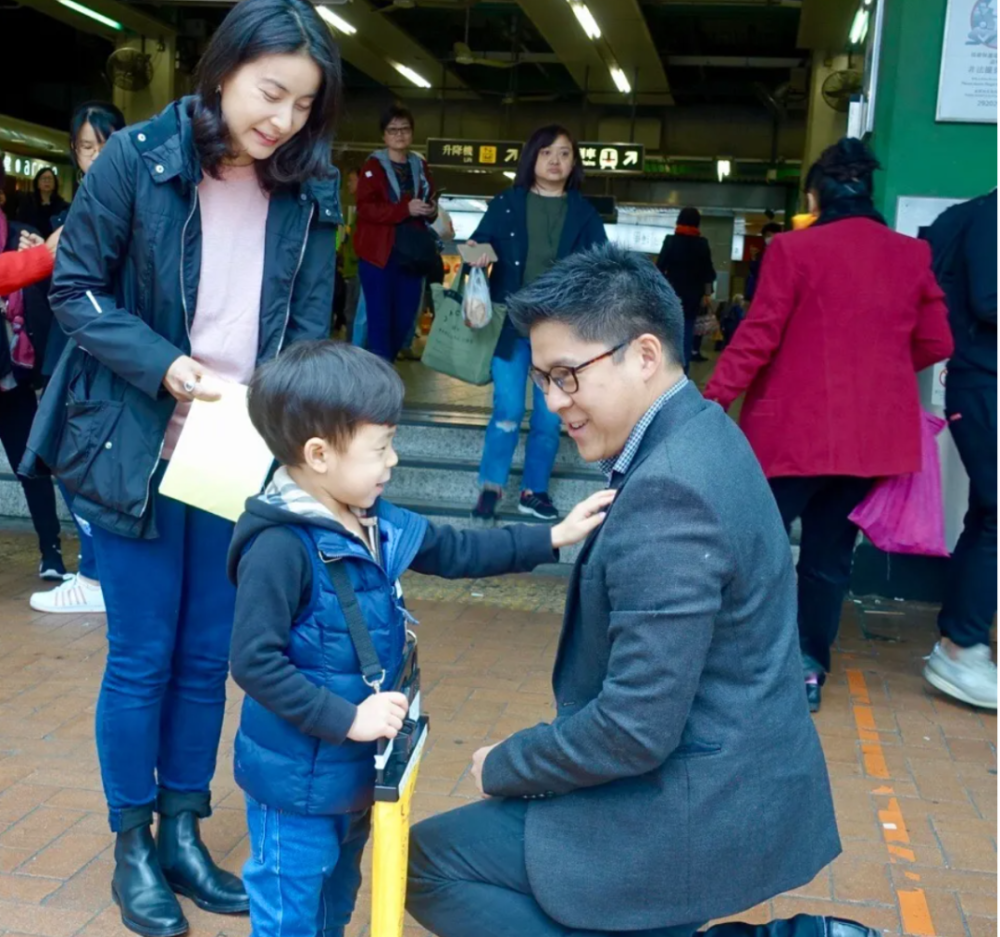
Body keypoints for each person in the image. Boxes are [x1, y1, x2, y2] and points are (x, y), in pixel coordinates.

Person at [407, 243, 840, 937]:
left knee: (425, 863)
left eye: (565, 376)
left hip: (694, 803)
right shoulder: (701, 430)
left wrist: (508, 764)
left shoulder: (670, 490)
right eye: (545, 379)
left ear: (643, 355)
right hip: (734, 774)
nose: (552, 402)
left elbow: (636, 730)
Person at [20, 1, 343, 933]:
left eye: (301, 105)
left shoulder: (308, 187)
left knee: (210, 656)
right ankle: (133, 844)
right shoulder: (138, 159)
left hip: (234, 446)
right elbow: (74, 290)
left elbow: (310, 329)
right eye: (269, 93)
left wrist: (290, 415)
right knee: (143, 656)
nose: (280, 119)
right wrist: (165, 364)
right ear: (224, 70)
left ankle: (183, 829)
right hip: (132, 438)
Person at [228, 339, 611, 937]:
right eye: (380, 447)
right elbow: (254, 662)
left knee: (336, 896)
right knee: (288, 908)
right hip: (294, 785)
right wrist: (345, 718)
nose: (393, 461)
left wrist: (551, 538)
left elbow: (455, 549)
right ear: (319, 454)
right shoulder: (279, 547)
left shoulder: (370, 517)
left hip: (354, 770)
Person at [704, 138, 953, 712]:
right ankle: (808, 667)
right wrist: (879, 371)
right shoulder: (909, 255)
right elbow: (938, 340)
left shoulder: (795, 250)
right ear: (869, 192)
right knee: (827, 558)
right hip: (868, 442)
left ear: (815, 196)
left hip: (791, 433)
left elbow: (759, 336)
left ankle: (726, 658)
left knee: (749, 545)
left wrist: (712, 400)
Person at [466, 125, 607, 522]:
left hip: (561, 335)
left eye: (564, 153)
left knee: (549, 416)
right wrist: (476, 255)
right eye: (547, 153)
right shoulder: (507, 203)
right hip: (511, 329)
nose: (556, 161)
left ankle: (534, 491)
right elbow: (474, 244)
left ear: (574, 163)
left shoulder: (583, 213)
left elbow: (602, 265)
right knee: (508, 410)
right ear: (532, 158)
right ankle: (491, 487)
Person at [27, 100, 126, 616]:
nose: (96, 157)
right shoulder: (72, 211)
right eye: (86, 147)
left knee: (88, 462)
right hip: (69, 349)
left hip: (111, 351)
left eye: (106, 145)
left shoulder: (133, 206)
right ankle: (95, 572)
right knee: (68, 459)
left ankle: (96, 575)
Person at [921, 190, 997, 710]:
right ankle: (960, 647)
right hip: (985, 382)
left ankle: (960, 640)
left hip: (980, 382)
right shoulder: (990, 218)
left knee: (988, 512)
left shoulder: (978, 215)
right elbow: (990, 300)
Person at [0, 159, 65, 581]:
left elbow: (53, 294)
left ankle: (51, 552)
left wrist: (42, 261)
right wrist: (40, 258)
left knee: (31, 466)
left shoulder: (22, 234)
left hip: (14, 376)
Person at [354, 104, 437, 362]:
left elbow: (430, 196)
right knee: (380, 318)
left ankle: (384, 369)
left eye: (405, 129)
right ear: (384, 135)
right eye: (393, 130)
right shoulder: (372, 167)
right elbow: (366, 208)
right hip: (379, 254)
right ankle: (380, 375)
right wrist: (405, 208)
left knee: (405, 317)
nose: (399, 135)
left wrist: (430, 209)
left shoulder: (420, 166)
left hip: (412, 253)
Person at [656, 206, 715, 370]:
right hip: (692, 297)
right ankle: (683, 370)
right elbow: (708, 272)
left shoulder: (670, 241)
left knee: (668, 330)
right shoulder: (702, 244)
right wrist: (707, 293)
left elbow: (659, 268)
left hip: (671, 294)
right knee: (687, 330)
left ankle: (665, 368)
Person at [17, 166, 68, 239]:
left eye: (50, 179)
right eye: (44, 178)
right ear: (37, 183)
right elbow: (21, 224)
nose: (47, 181)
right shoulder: (28, 203)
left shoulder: (63, 206)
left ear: (55, 184)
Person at [745, 221, 782, 306]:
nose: (767, 238)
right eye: (766, 236)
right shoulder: (761, 253)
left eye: (770, 235)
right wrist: (753, 258)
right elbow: (756, 272)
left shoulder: (783, 252)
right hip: (761, 292)